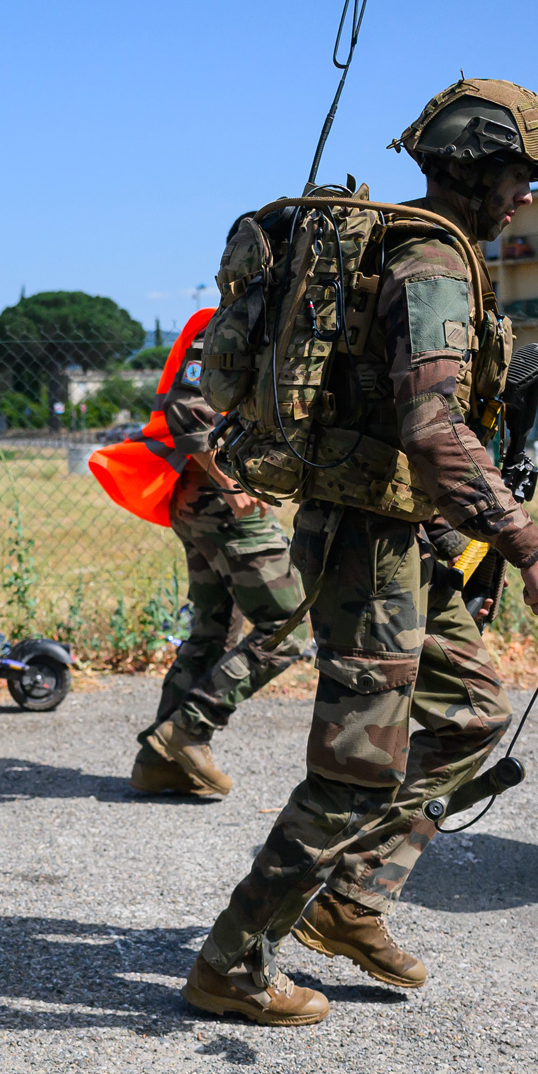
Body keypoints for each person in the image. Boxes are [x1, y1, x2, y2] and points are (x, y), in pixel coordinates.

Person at [185, 79, 538, 1028]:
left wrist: (449, 533)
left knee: (475, 713)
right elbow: (429, 422)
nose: (525, 196)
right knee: (357, 764)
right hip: (365, 543)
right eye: (519, 176)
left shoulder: (413, 249)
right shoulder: (432, 261)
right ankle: (233, 961)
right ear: (477, 168)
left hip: (396, 531)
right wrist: (525, 545)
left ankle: (352, 898)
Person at [130, 330, 310, 798]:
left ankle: (159, 764)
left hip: (204, 502)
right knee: (286, 626)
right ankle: (187, 731)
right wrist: (229, 481)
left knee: (213, 632)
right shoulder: (236, 319)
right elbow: (187, 407)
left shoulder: (273, 314)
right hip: (223, 501)